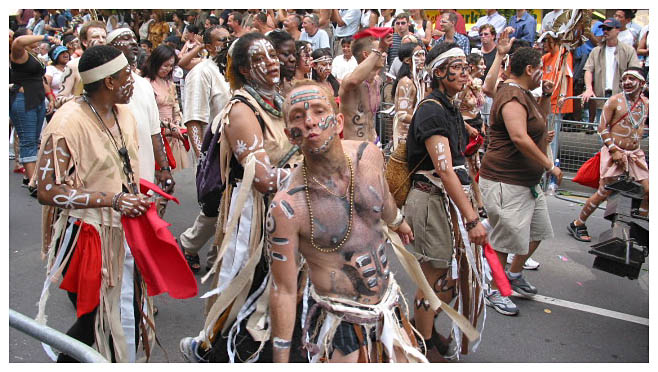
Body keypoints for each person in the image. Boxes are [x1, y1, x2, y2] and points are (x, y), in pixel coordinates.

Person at [268, 80, 426, 363]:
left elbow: (383, 199)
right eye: (297, 117)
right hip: (339, 323)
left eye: (318, 110)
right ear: (290, 136)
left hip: (388, 309)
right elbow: (284, 290)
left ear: (338, 121)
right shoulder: (288, 207)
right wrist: (280, 360)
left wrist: (398, 221)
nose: (310, 122)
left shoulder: (369, 156)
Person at [179, 32, 302, 363]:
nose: (273, 62)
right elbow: (261, 178)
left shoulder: (281, 100)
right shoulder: (241, 110)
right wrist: (312, 176)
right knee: (247, 289)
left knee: (286, 291)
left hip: (290, 208)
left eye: (273, 55)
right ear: (246, 70)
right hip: (255, 216)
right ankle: (213, 350)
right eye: (262, 59)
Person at [35, 45, 155, 363]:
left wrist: (138, 193)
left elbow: (119, 168)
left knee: (121, 312)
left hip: (124, 230)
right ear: (110, 82)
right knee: (95, 318)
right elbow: (47, 191)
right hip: (85, 235)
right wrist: (113, 199)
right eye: (127, 74)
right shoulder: (66, 124)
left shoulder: (125, 113)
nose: (134, 79)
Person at [404, 42, 488, 360]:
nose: (465, 72)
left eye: (467, 65)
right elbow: (445, 169)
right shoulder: (431, 109)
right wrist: (472, 219)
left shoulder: (450, 107)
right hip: (431, 201)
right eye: (458, 66)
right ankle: (422, 344)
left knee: (449, 276)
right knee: (435, 276)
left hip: (446, 202)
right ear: (439, 72)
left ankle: (420, 328)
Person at [479, 47, 562, 316]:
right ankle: (493, 290)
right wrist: (549, 164)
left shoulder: (526, 94)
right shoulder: (512, 95)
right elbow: (519, 137)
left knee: (537, 233)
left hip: (527, 182)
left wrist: (547, 95)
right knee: (504, 242)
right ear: (529, 69)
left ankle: (513, 275)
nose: (543, 74)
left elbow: (539, 121)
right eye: (541, 69)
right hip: (506, 181)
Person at [567, 67, 648, 241]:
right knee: (604, 192)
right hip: (614, 154)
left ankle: (638, 228)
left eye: (631, 79)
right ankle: (578, 223)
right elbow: (602, 128)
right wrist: (614, 151)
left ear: (642, 83)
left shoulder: (646, 104)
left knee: (648, 190)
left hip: (635, 155)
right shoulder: (614, 101)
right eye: (624, 78)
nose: (626, 82)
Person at [178, 26, 232, 274]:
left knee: (231, 205)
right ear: (208, 47)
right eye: (222, 41)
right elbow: (193, 120)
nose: (227, 44)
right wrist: (203, 159)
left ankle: (217, 256)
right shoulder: (201, 73)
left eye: (230, 39)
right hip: (213, 151)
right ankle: (189, 245)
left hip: (235, 150)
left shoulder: (232, 71)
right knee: (215, 204)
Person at [107, 27, 174, 196]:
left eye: (133, 38)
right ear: (110, 47)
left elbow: (154, 132)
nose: (133, 42)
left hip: (144, 172)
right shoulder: (105, 84)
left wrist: (164, 168)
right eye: (126, 39)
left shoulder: (143, 84)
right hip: (112, 179)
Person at [9, 30, 56, 195]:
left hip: (37, 100)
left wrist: (50, 97)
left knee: (35, 141)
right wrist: (45, 37)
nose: (34, 36)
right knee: (28, 141)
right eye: (30, 35)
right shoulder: (18, 53)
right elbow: (18, 42)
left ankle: (31, 178)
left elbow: (41, 79)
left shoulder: (34, 56)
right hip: (23, 100)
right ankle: (33, 183)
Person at [581, 18, 641, 123]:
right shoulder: (596, 51)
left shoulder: (628, 50)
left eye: (608, 28)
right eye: (603, 28)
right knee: (603, 132)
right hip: (601, 96)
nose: (605, 31)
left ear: (618, 30)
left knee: (621, 131)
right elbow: (588, 70)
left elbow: (635, 72)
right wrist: (589, 88)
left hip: (622, 96)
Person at [143, 45, 191, 176]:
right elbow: (147, 114)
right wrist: (168, 126)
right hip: (157, 131)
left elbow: (175, 105)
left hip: (172, 133)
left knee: (170, 173)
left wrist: (178, 123)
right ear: (156, 62)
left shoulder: (169, 82)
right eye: (165, 65)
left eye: (171, 66)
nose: (168, 69)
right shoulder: (146, 84)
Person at [339, 33, 392, 142]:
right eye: (379, 52)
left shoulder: (377, 81)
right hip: (355, 148)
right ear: (366, 55)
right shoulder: (349, 81)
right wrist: (380, 48)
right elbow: (354, 80)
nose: (384, 54)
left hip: (374, 143)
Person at [55, 20, 108, 109]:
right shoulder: (73, 65)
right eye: (96, 37)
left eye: (104, 37)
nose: (101, 40)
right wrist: (81, 100)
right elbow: (58, 101)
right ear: (84, 42)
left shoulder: (111, 65)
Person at [459, 52, 487, 216]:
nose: (484, 67)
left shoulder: (477, 84)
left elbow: (477, 107)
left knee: (475, 167)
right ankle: (468, 204)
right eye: (481, 64)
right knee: (466, 167)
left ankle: (479, 203)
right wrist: (468, 128)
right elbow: (454, 109)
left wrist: (481, 122)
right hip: (465, 127)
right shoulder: (463, 85)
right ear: (473, 66)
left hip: (476, 125)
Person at [391, 42, 426, 149]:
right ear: (407, 60)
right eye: (418, 55)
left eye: (423, 54)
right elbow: (401, 115)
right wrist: (423, 122)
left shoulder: (418, 81)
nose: (422, 58)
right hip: (404, 137)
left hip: (414, 134)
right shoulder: (406, 82)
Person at [268, 30, 298, 95]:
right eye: (286, 54)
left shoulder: (293, 89)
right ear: (271, 56)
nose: (293, 59)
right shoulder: (260, 92)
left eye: (294, 54)